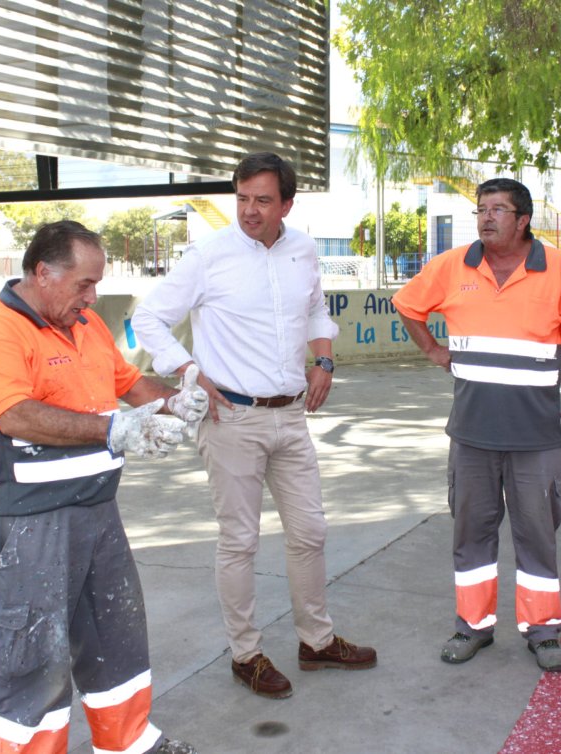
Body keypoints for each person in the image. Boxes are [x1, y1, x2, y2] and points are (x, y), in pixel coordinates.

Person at [0, 220, 209, 754]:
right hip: (27, 527)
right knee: (34, 662)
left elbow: (128, 384)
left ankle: (129, 742)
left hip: (97, 513)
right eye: (83, 284)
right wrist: (115, 428)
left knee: (115, 641)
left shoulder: (87, 324)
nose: (92, 297)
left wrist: (171, 400)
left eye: (96, 284)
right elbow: (16, 414)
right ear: (43, 273)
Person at [132, 152, 376, 700]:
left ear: (287, 203)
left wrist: (325, 359)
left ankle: (317, 641)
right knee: (239, 541)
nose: (249, 211)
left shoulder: (304, 249)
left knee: (310, 532)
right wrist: (190, 372)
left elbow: (315, 310)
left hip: (292, 415)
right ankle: (246, 654)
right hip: (231, 418)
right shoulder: (208, 256)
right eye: (242, 198)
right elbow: (146, 318)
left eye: (262, 200)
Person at [391, 178, 561, 672]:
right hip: (470, 436)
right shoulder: (454, 265)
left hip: (534, 439)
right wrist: (432, 349)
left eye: (498, 210)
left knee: (538, 535)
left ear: (523, 219)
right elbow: (408, 304)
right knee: (472, 534)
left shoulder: (556, 270)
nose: (487, 218)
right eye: (481, 209)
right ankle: (474, 627)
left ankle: (543, 631)